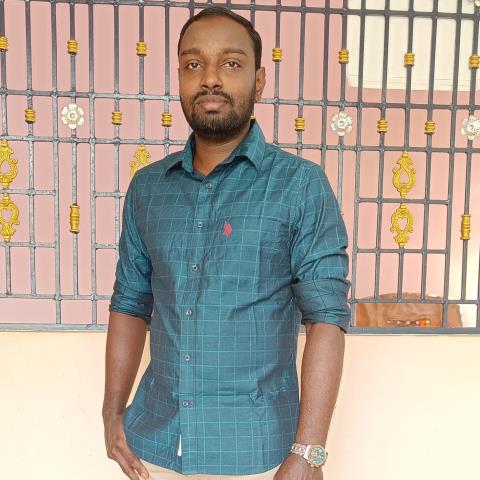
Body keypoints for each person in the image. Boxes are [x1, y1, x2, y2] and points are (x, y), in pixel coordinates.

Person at [103, 6, 350, 480]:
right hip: (153, 448)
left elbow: (327, 319)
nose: (210, 78)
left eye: (231, 63)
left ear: (259, 81)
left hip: (260, 456)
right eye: (194, 64)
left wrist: (308, 452)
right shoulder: (148, 188)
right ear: (180, 77)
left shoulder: (300, 186)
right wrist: (111, 412)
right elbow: (130, 302)